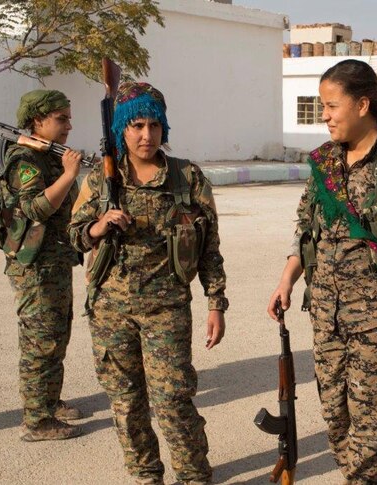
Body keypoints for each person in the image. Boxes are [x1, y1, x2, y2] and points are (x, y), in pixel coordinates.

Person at [267, 59, 377, 484]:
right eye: (321, 106)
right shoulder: (324, 161)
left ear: (363, 104)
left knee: (371, 443)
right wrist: (287, 279)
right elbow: (306, 226)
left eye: (330, 105)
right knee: (339, 429)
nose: (324, 116)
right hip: (327, 321)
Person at [69, 82, 228, 485]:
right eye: (136, 125)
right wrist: (99, 225)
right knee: (126, 404)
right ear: (121, 128)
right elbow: (73, 236)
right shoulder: (102, 180)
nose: (146, 135)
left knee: (173, 401)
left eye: (154, 125)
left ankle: (194, 475)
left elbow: (209, 248)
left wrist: (215, 304)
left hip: (166, 311)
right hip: (110, 312)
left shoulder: (186, 177)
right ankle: (145, 475)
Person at [0, 89, 85, 441]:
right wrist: (68, 175)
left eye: (68, 117)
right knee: (40, 342)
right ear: (38, 121)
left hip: (55, 261)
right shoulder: (25, 159)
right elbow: (35, 208)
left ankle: (49, 400)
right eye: (60, 119)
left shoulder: (50, 155)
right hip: (34, 267)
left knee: (56, 335)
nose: (68, 125)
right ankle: (37, 421)